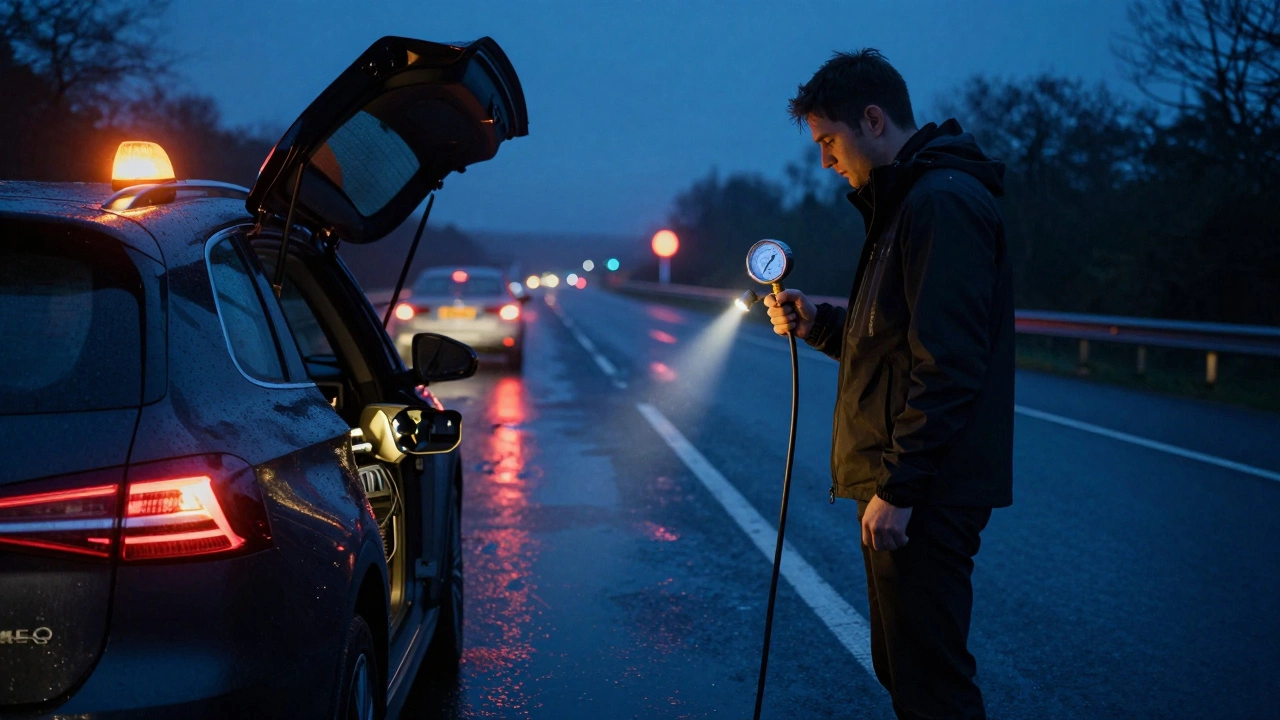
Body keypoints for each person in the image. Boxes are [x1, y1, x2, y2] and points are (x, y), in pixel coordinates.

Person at [764, 49, 1014, 719]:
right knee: (904, 670)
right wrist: (819, 323)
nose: (824, 160)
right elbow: (893, 341)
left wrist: (901, 488)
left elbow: (949, 362)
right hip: (908, 481)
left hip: (926, 490)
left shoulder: (941, 203)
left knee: (931, 684)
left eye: (828, 140)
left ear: (871, 120)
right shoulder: (907, 202)